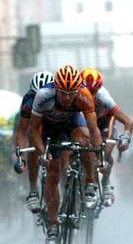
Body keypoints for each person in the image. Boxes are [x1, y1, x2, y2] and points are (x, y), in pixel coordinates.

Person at [29, 65, 103, 244]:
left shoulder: (84, 96)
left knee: (85, 141)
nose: (68, 98)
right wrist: (42, 152)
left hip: (72, 124)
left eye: (72, 93)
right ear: (56, 88)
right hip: (49, 128)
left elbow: (93, 129)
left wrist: (97, 150)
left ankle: (90, 184)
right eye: (63, 93)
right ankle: (53, 225)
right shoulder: (44, 95)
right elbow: (33, 130)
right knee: (52, 174)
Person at [80, 67, 133, 207]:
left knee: (105, 150)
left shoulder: (103, 96)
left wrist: (126, 137)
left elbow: (128, 121)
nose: (90, 96)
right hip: (85, 121)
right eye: (87, 91)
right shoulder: (76, 94)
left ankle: (106, 184)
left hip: (104, 120)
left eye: (94, 92)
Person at [13, 70, 54, 213]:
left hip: (54, 128)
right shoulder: (28, 101)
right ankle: (33, 191)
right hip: (34, 131)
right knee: (33, 149)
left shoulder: (59, 98)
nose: (39, 101)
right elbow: (21, 132)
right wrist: (20, 157)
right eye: (36, 97)